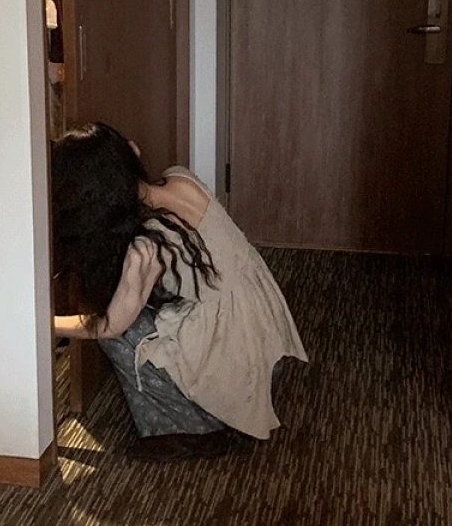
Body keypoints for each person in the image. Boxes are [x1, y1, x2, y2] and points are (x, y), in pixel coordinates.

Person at [52, 122, 308, 461]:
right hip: (266, 337)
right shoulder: (181, 179)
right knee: (146, 306)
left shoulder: (147, 246)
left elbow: (111, 325)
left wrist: (46, 324)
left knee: (118, 333)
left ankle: (195, 428)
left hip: (241, 364)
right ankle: (217, 403)